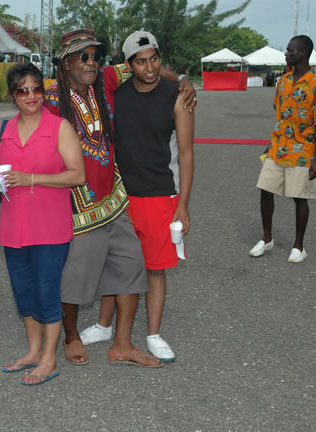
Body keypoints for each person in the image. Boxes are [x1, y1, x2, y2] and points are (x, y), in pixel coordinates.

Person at [44, 29, 195, 367]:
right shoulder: (50, 96)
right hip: (76, 205)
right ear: (65, 61)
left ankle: (122, 344)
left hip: (114, 201)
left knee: (130, 267)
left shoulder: (105, 80)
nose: (91, 62)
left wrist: (183, 82)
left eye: (96, 56)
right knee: (74, 276)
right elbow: (26, 112)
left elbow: (147, 65)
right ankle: (71, 335)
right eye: (83, 56)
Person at [0, 63, 85, 385]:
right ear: (13, 95)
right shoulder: (4, 128)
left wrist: (32, 178)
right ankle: (33, 350)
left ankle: (48, 359)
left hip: (49, 227)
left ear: (44, 92)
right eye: (23, 90)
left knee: (47, 293)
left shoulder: (59, 127)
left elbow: (78, 174)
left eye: (36, 89)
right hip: (13, 227)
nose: (31, 96)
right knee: (24, 293)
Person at [114, 31, 195, 362]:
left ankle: (153, 334)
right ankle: (107, 327)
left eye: (154, 59)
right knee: (118, 264)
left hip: (161, 194)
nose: (149, 68)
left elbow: (187, 155)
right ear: (129, 65)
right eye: (141, 61)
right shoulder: (116, 94)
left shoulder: (178, 96)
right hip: (120, 195)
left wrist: (184, 205)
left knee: (155, 268)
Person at [249, 35, 316, 263]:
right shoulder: (283, 82)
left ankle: (299, 246)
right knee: (265, 191)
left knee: (299, 197)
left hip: (303, 151)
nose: (286, 53)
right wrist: (270, 142)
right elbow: (280, 116)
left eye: (290, 50)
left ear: (302, 53)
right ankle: (266, 239)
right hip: (278, 148)